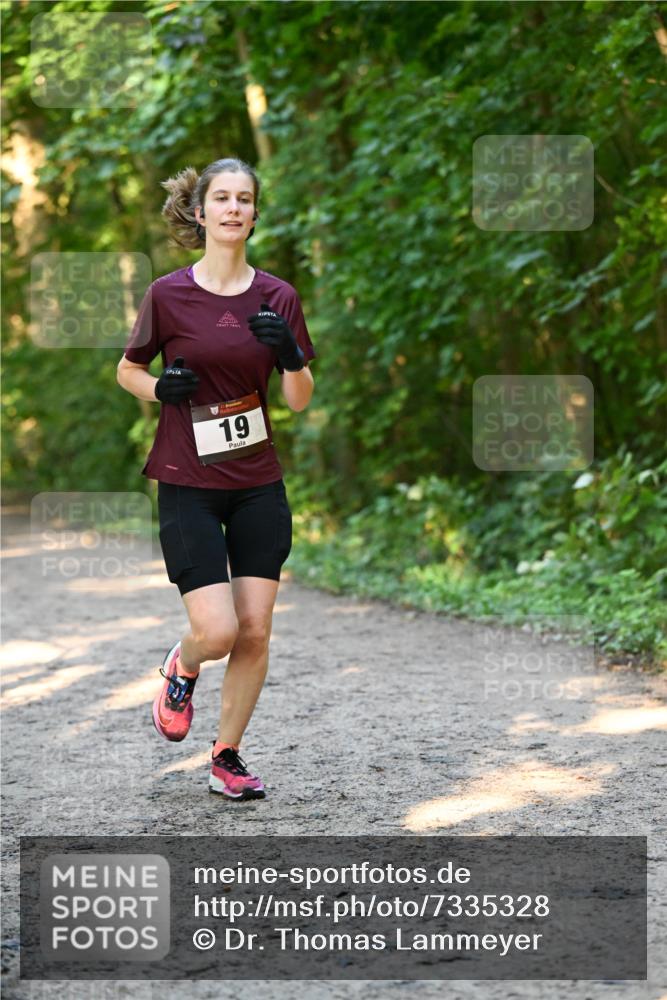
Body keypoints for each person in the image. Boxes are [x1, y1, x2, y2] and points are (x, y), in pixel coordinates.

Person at [116, 157, 316, 801]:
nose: (234, 208)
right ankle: (184, 663)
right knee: (220, 631)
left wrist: (288, 354)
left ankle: (227, 755)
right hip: (187, 481)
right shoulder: (168, 294)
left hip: (258, 481)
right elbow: (127, 369)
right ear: (199, 214)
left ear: (255, 214)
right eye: (221, 198)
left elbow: (301, 398)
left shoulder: (278, 296)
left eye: (245, 199)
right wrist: (159, 388)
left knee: (255, 629)